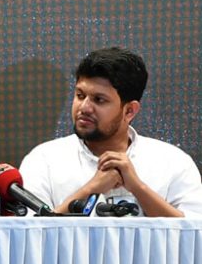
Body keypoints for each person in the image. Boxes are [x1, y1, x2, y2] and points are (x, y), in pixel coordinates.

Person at [19, 47, 202, 217]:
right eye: (80, 95)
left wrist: (138, 188)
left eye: (99, 100)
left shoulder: (174, 162)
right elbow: (31, 236)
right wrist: (92, 189)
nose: (84, 107)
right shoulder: (44, 160)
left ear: (129, 111)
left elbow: (194, 236)